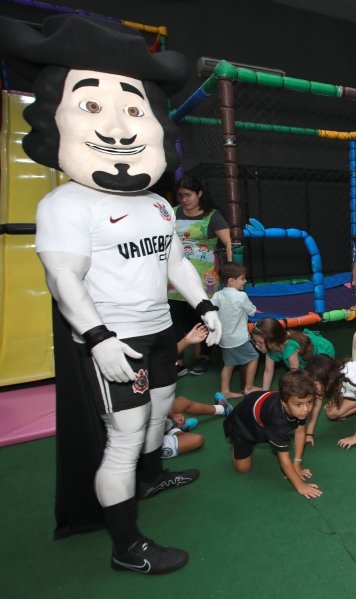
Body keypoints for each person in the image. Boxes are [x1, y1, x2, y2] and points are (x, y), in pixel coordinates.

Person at [0, 14, 222, 573]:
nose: (119, 129)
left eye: (132, 110)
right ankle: (126, 546)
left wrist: (204, 304)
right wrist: (97, 338)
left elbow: (175, 262)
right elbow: (63, 278)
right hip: (115, 340)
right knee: (124, 435)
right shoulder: (65, 205)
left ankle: (152, 478)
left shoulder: (158, 203)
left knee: (162, 408)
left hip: (159, 330)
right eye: (93, 106)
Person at [167, 174, 233, 376]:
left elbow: (228, 242)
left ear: (200, 193)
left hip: (205, 278)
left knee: (204, 316)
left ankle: (203, 357)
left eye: (188, 195)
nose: (184, 199)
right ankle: (177, 359)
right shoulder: (172, 213)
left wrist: (231, 269)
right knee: (175, 319)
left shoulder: (212, 216)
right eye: (180, 195)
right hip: (174, 278)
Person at [223, 369, 322, 499]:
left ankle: (267, 434)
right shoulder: (278, 421)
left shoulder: (298, 408)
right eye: (298, 404)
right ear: (284, 403)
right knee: (243, 469)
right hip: (243, 423)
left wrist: (297, 464)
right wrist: (300, 485)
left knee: (277, 433)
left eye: (309, 402)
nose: (306, 409)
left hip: (262, 415)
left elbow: (300, 431)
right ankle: (237, 443)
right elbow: (284, 459)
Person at [211, 262, 259, 399]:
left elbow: (210, 309)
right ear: (231, 281)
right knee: (254, 357)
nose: (245, 281)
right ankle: (249, 387)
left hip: (224, 339)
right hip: (239, 339)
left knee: (229, 364)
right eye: (242, 279)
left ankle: (225, 391)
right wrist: (255, 310)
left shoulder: (217, 295)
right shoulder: (241, 296)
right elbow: (252, 311)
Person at [251, 318, 335, 390]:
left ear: (271, 342)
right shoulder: (271, 348)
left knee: (317, 382)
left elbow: (295, 373)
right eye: (256, 342)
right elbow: (268, 371)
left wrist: (294, 393)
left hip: (323, 350)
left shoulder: (290, 348)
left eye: (260, 343)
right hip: (307, 355)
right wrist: (264, 392)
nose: (257, 346)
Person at [161, 393, 234, 459]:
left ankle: (223, 409)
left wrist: (173, 416)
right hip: (156, 442)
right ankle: (176, 430)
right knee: (198, 439)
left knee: (182, 401)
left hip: (160, 424)